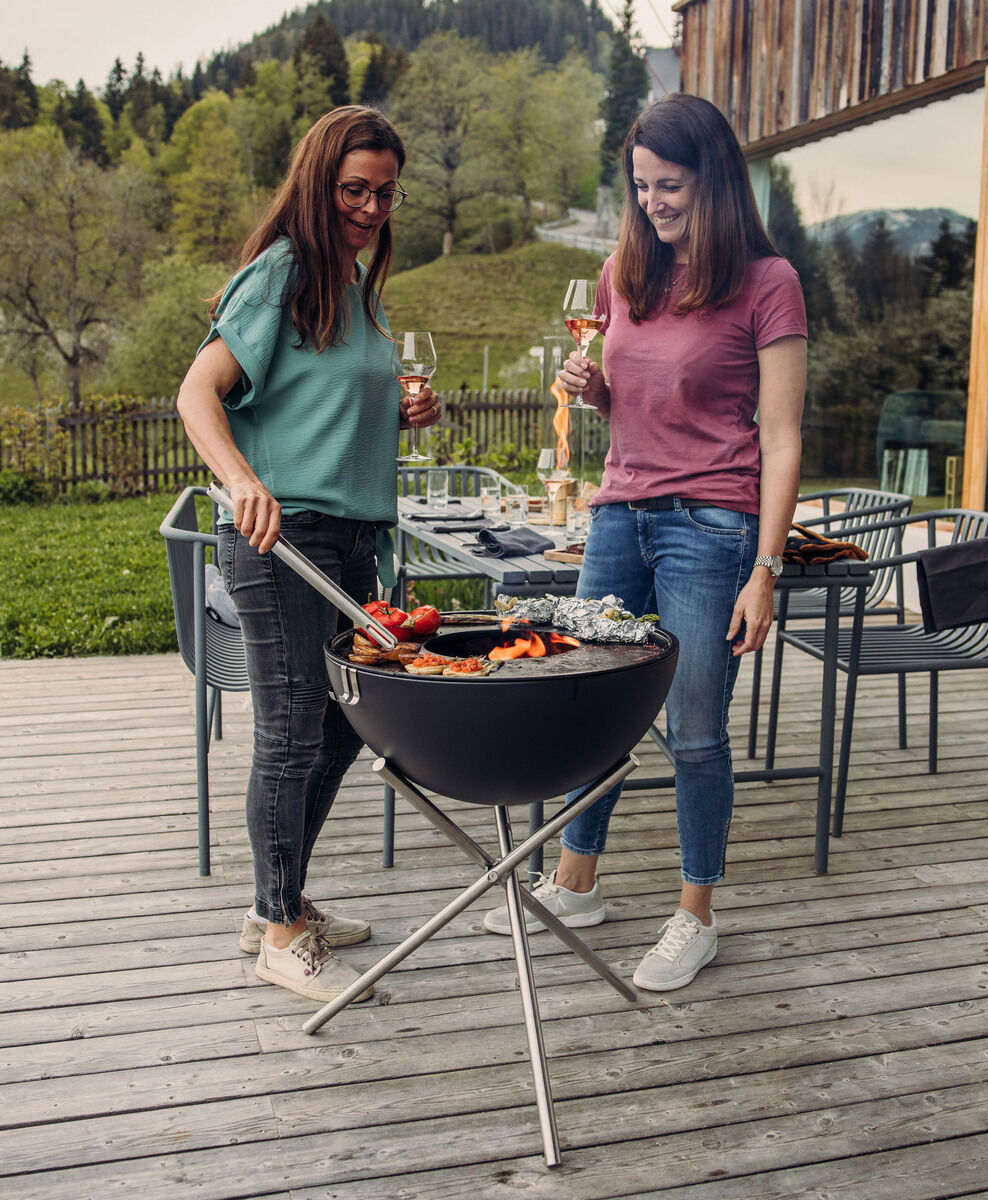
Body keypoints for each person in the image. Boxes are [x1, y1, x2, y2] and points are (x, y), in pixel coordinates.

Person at [484, 93, 807, 991]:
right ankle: (577, 878)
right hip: (619, 515)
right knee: (595, 710)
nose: (654, 202)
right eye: (640, 186)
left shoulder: (767, 282)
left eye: (670, 185)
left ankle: (695, 914)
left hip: (714, 527)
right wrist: (592, 392)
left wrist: (767, 570)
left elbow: (781, 440)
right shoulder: (622, 275)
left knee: (693, 728)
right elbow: (637, 402)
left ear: (714, 181)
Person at [176, 106, 441, 1005]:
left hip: (349, 537)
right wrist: (243, 481)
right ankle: (281, 929)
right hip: (280, 537)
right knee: (293, 730)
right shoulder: (284, 270)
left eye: (384, 193)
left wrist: (396, 411)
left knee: (338, 725)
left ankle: (274, 903)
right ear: (319, 183)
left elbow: (322, 399)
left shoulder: (355, 282)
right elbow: (196, 393)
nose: (370, 207)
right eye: (354, 189)